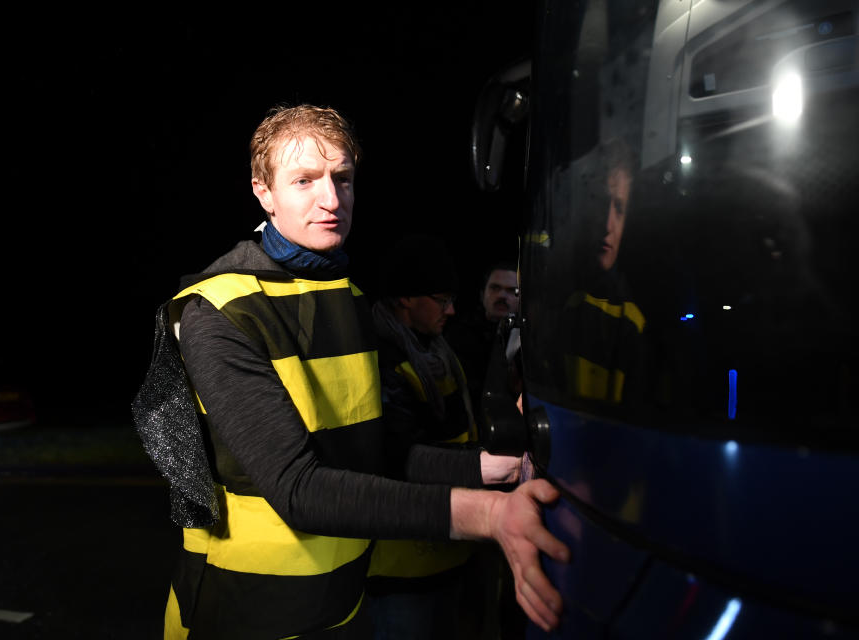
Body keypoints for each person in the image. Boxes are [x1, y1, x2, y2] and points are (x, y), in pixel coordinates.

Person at [133, 104, 569, 640]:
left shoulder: (350, 298)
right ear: (263, 192)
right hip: (244, 609)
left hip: (341, 604)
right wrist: (489, 516)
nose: (331, 199)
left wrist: (491, 469)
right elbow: (298, 489)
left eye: (343, 178)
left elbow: (375, 453)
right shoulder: (219, 310)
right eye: (304, 180)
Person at [367, 234, 521, 639]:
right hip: (405, 570)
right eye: (440, 298)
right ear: (404, 298)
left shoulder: (436, 350)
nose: (452, 310)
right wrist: (488, 467)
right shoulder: (380, 360)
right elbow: (397, 457)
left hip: (453, 549)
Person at [558, 137, 646, 406]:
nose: (608, 223)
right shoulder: (550, 295)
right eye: (600, 203)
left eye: (619, 208)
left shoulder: (632, 323)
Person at [446, 261, 521, 421]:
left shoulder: (530, 341)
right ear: (482, 294)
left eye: (511, 291)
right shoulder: (456, 336)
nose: (502, 295)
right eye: (495, 288)